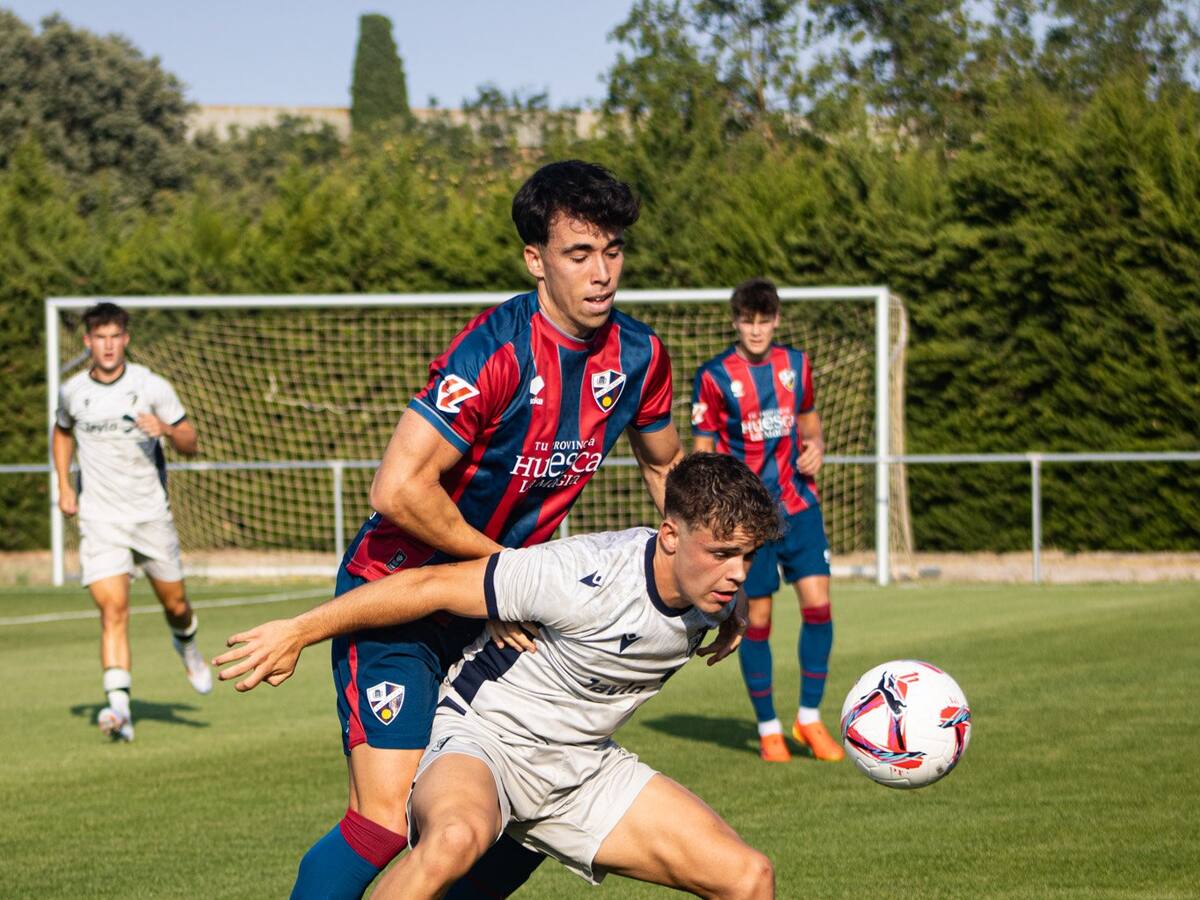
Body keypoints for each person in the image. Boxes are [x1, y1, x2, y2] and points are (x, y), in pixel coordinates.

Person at [287, 160, 704, 899]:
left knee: (529, 797)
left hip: (502, 601)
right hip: (401, 596)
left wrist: (708, 568)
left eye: (613, 251)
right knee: (385, 819)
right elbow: (397, 490)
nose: (602, 272)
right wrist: (506, 574)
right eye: (580, 254)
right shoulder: (497, 351)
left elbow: (666, 466)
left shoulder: (638, 356)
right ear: (535, 260)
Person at [216, 452, 777, 899]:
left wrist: (733, 612)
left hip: (582, 767)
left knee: (749, 878)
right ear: (670, 536)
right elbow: (428, 586)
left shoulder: (714, 591)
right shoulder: (580, 575)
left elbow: (723, 586)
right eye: (723, 554)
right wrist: (298, 631)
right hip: (485, 743)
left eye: (748, 558)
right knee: (453, 839)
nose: (737, 573)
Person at [691, 278, 844, 764]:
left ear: (776, 320)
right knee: (756, 620)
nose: (755, 330)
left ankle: (809, 719)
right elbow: (703, 452)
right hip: (749, 521)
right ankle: (769, 728)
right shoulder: (714, 376)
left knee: (819, 606)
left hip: (800, 506)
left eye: (763, 321)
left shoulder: (796, 365)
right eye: (747, 321)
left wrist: (816, 448)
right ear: (735, 322)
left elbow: (810, 422)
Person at [53, 302, 211, 743]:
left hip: (149, 516)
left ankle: (187, 647)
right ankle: (119, 709)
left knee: (176, 606)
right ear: (87, 341)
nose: (107, 346)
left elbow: (191, 441)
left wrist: (166, 429)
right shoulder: (72, 391)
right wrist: (63, 484)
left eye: (114, 337)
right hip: (100, 519)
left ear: (125, 339)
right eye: (99, 338)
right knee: (113, 610)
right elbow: (62, 431)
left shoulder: (150, 386)